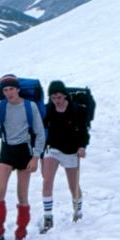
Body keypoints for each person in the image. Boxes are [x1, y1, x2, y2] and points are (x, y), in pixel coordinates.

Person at [0, 74, 46, 240]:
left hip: (24, 151)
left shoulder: (30, 106)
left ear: (18, 89)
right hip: (6, 150)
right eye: (5, 90)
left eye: (12, 89)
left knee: (22, 195)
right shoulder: (1, 105)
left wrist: (35, 157)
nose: (9, 93)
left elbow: (40, 133)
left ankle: (21, 232)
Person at [40, 81, 89, 232]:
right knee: (47, 181)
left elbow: (83, 132)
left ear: (65, 95)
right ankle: (48, 217)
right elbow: (41, 128)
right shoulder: (48, 110)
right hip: (53, 149)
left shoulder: (76, 110)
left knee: (73, 185)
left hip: (71, 151)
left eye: (59, 97)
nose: (57, 101)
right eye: (54, 98)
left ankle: (78, 212)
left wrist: (81, 147)